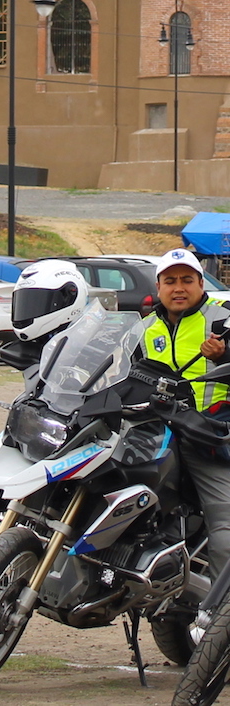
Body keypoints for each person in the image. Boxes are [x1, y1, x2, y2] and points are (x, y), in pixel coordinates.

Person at [142, 248, 230, 578]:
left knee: (225, 523)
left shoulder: (222, 318)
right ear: (159, 286)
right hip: (153, 431)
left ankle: (222, 616)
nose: (179, 288)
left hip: (207, 431)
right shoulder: (146, 327)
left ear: (200, 283)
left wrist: (224, 355)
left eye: (187, 280)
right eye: (170, 281)